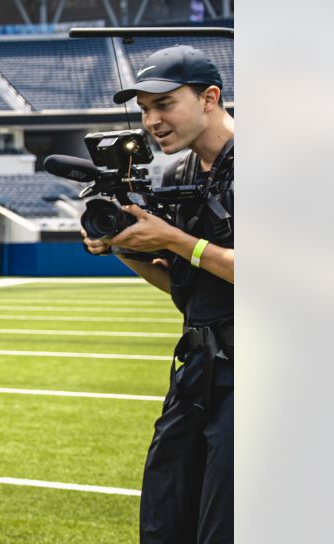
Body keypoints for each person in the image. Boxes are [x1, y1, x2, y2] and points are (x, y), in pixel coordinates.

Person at [81, 44, 234, 543]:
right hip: (200, 366)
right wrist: (126, 247)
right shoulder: (180, 173)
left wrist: (173, 239)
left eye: (164, 104)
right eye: (144, 109)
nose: (151, 120)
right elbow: (184, 288)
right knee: (167, 519)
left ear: (209, 97)